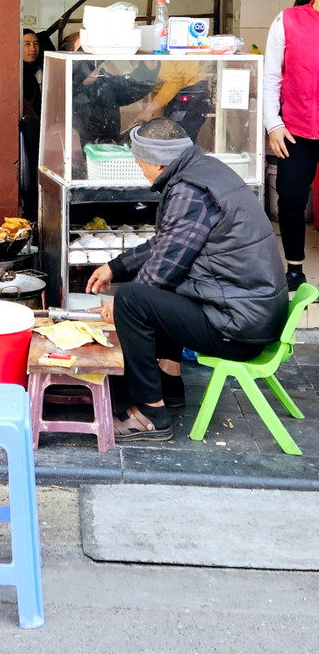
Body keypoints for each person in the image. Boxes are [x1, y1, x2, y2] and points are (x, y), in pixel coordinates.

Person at [86, 119, 287, 442]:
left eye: (141, 166)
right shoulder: (204, 170)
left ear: (156, 163)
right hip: (250, 311)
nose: (142, 173)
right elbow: (169, 243)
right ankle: (169, 383)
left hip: (238, 327)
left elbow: (163, 267)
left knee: (134, 300)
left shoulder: (189, 191)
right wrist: (116, 266)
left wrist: (118, 304)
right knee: (161, 290)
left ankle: (151, 413)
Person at [264, 0, 319, 293]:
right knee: (291, 199)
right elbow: (271, 76)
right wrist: (273, 124)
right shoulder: (287, 21)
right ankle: (295, 269)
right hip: (296, 129)